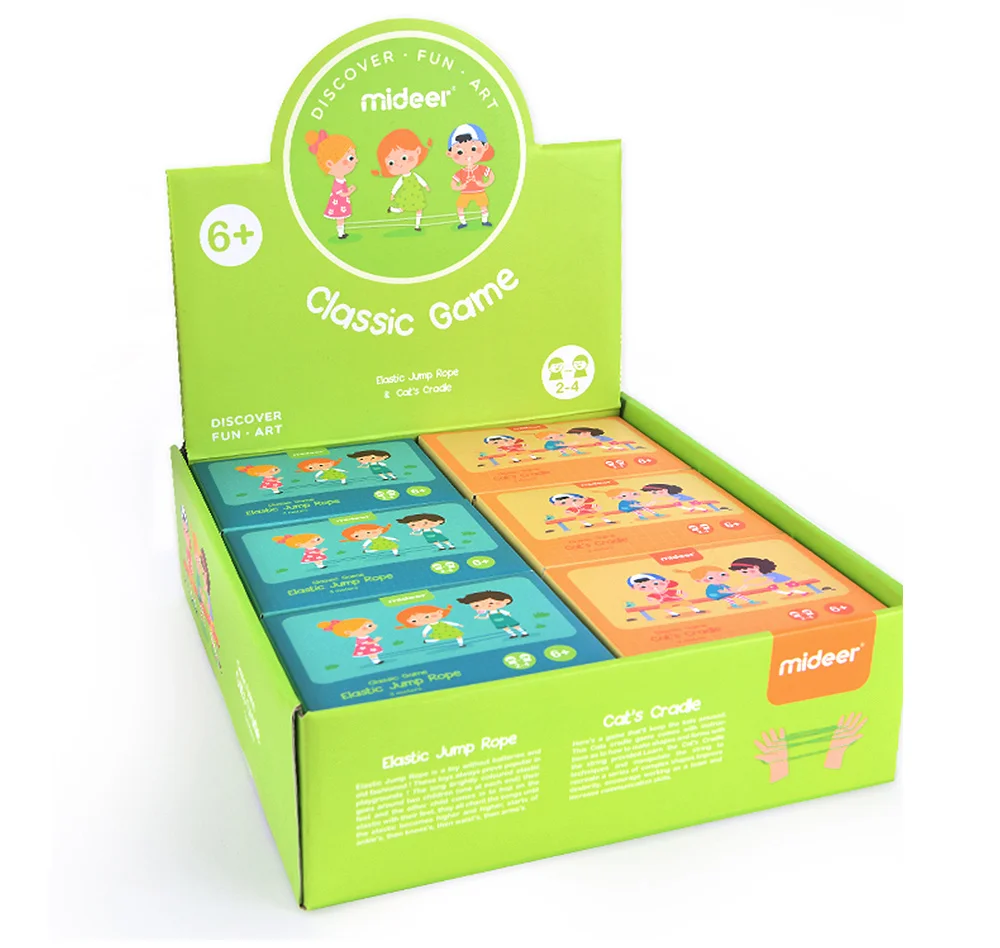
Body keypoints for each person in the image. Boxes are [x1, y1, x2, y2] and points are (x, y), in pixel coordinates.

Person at [371, 129, 432, 230]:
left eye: (404, 158)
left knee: (419, 209)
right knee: (402, 209)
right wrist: (392, 193)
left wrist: (426, 186)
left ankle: (417, 226)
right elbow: (397, 185)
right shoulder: (402, 178)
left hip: (416, 194)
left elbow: (420, 180)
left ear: (418, 151)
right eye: (391, 163)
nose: (399, 164)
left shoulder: (414, 175)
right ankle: (392, 209)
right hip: (407, 195)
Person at [304, 131, 358, 239]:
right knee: (340, 218)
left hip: (342, 204)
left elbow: (343, 192)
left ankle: (341, 232)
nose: (356, 160)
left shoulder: (341, 180)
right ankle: (340, 233)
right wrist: (351, 190)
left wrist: (348, 190)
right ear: (330, 164)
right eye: (350, 158)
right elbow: (342, 194)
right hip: (338, 205)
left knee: (341, 219)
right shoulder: (337, 182)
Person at [447, 123, 496, 228]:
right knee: (460, 207)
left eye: (473, 149)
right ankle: (463, 222)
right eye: (460, 152)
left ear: (485, 147)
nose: (467, 155)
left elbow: (491, 176)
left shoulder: (480, 168)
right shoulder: (461, 172)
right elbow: (453, 184)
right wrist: (460, 187)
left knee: (483, 206)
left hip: (479, 191)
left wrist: (484, 184)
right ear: (450, 154)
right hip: (465, 192)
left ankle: (484, 221)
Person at [456, 590, 528, 638]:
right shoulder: (489, 613)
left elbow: (507, 614)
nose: (486, 606)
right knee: (505, 628)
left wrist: (508, 615)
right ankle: (513, 634)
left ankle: (523, 632)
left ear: (506, 601)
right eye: (477, 606)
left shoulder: (499, 611)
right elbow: (486, 617)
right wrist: (478, 617)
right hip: (497, 622)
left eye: (491, 603)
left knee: (515, 626)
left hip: (505, 619)